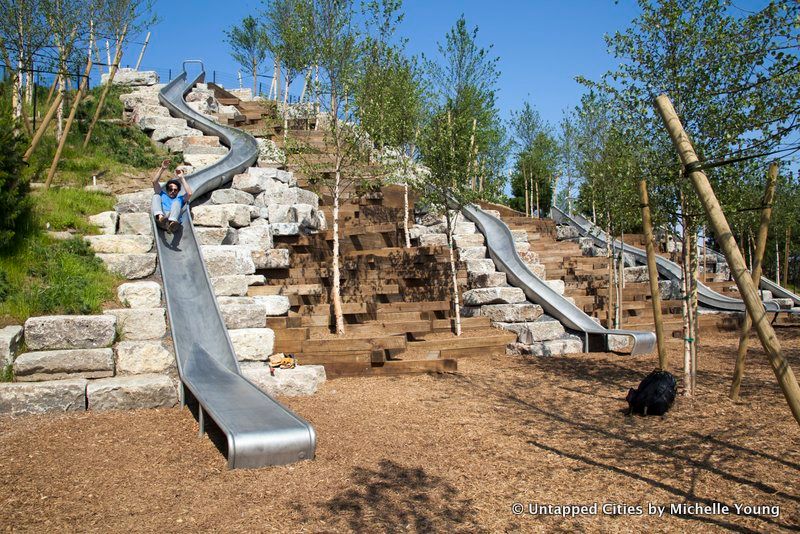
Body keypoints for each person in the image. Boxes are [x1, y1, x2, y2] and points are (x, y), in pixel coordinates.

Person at [151, 159, 192, 233]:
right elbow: (154, 182)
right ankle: (160, 218)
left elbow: (189, 193)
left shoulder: (180, 199)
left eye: (175, 190)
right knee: (156, 196)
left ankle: (172, 223)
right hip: (163, 218)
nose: (173, 191)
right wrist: (162, 168)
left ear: (178, 191)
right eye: (170, 189)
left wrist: (182, 178)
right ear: (167, 190)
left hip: (173, 220)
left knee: (177, 202)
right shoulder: (162, 194)